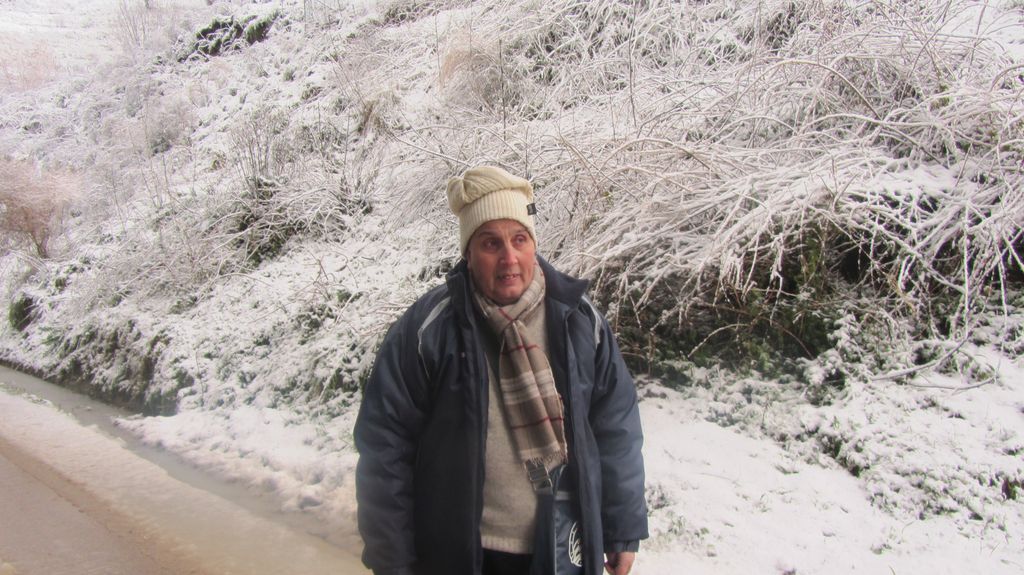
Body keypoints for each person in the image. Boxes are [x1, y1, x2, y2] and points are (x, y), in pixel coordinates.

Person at [354, 166, 648, 575]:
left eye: (519, 239)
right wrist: (392, 559)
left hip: (564, 547)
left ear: (533, 245)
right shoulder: (430, 328)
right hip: (462, 553)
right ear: (468, 254)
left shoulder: (579, 321)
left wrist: (621, 528)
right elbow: (386, 445)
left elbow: (616, 429)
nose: (509, 258)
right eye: (491, 243)